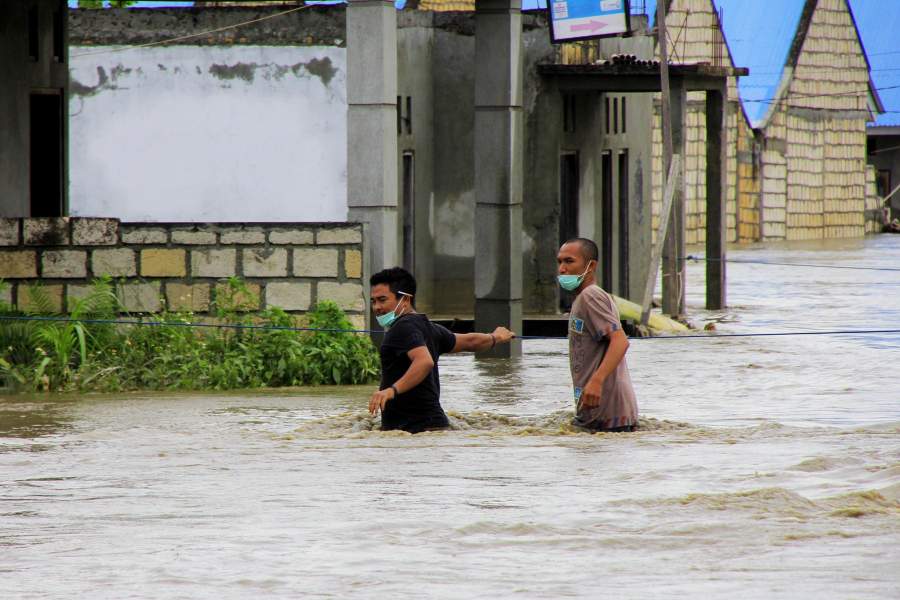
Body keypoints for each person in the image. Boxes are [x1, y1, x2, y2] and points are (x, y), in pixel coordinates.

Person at [368, 267, 515, 433]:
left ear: (405, 300)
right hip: (433, 426)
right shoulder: (427, 326)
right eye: (373, 301)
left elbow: (424, 362)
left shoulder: (403, 328)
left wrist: (391, 390)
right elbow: (470, 341)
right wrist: (496, 337)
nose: (377, 307)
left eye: (382, 300)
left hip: (414, 429)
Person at [557, 238, 638, 432]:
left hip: (608, 414)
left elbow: (620, 341)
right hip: (599, 413)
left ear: (590, 265)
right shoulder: (583, 298)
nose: (562, 269)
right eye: (559, 262)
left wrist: (596, 381)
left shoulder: (590, 296)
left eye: (569, 261)